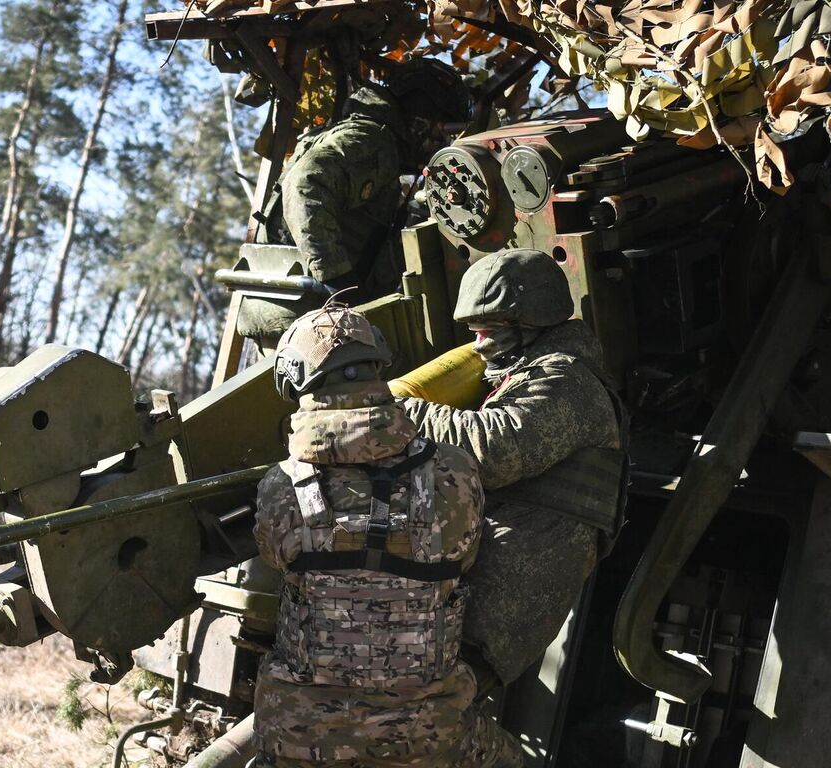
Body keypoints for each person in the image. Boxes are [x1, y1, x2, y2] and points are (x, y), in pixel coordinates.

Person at [253, 305, 521, 766]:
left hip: (299, 737)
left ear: (293, 380)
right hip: (425, 738)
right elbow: (468, 555)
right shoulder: (454, 471)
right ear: (379, 365)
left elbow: (276, 559)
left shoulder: (280, 486)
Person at [399, 248, 628, 691]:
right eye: (474, 331)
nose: (479, 345)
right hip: (470, 604)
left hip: (493, 612)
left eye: (489, 330)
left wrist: (395, 411)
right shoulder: (526, 374)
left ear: (531, 326)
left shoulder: (569, 381)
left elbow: (492, 448)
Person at [258, 57, 470, 300]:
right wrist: (338, 281)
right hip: (307, 306)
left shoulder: (377, 145)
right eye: (441, 132)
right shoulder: (372, 141)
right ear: (421, 122)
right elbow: (304, 184)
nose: (441, 144)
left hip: (296, 300)